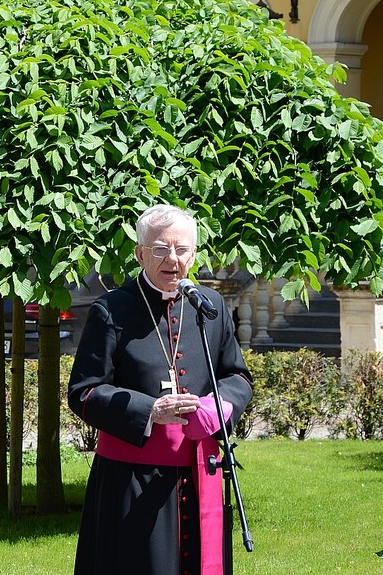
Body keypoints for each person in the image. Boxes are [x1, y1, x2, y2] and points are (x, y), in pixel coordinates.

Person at [67, 204, 254, 574]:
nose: (172, 259)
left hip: (201, 473)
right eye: (160, 249)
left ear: (194, 254)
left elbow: (238, 377)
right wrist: (149, 411)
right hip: (132, 481)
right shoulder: (111, 311)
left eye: (181, 249)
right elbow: (84, 391)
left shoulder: (209, 306)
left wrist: (220, 408)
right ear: (139, 254)